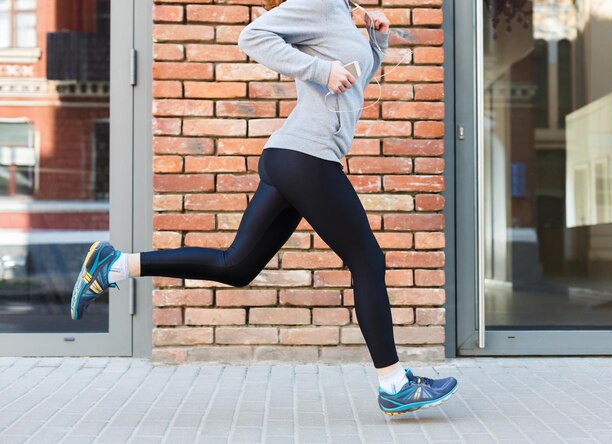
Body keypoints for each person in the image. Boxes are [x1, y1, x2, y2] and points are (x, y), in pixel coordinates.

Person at [70, 0, 458, 416]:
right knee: (368, 261)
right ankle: (394, 383)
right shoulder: (319, 3)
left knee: (236, 266)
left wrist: (377, 43)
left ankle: (113, 266)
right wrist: (320, 71)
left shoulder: (341, 12)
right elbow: (251, 37)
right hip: (306, 158)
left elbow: (352, 84)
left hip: (293, 157)